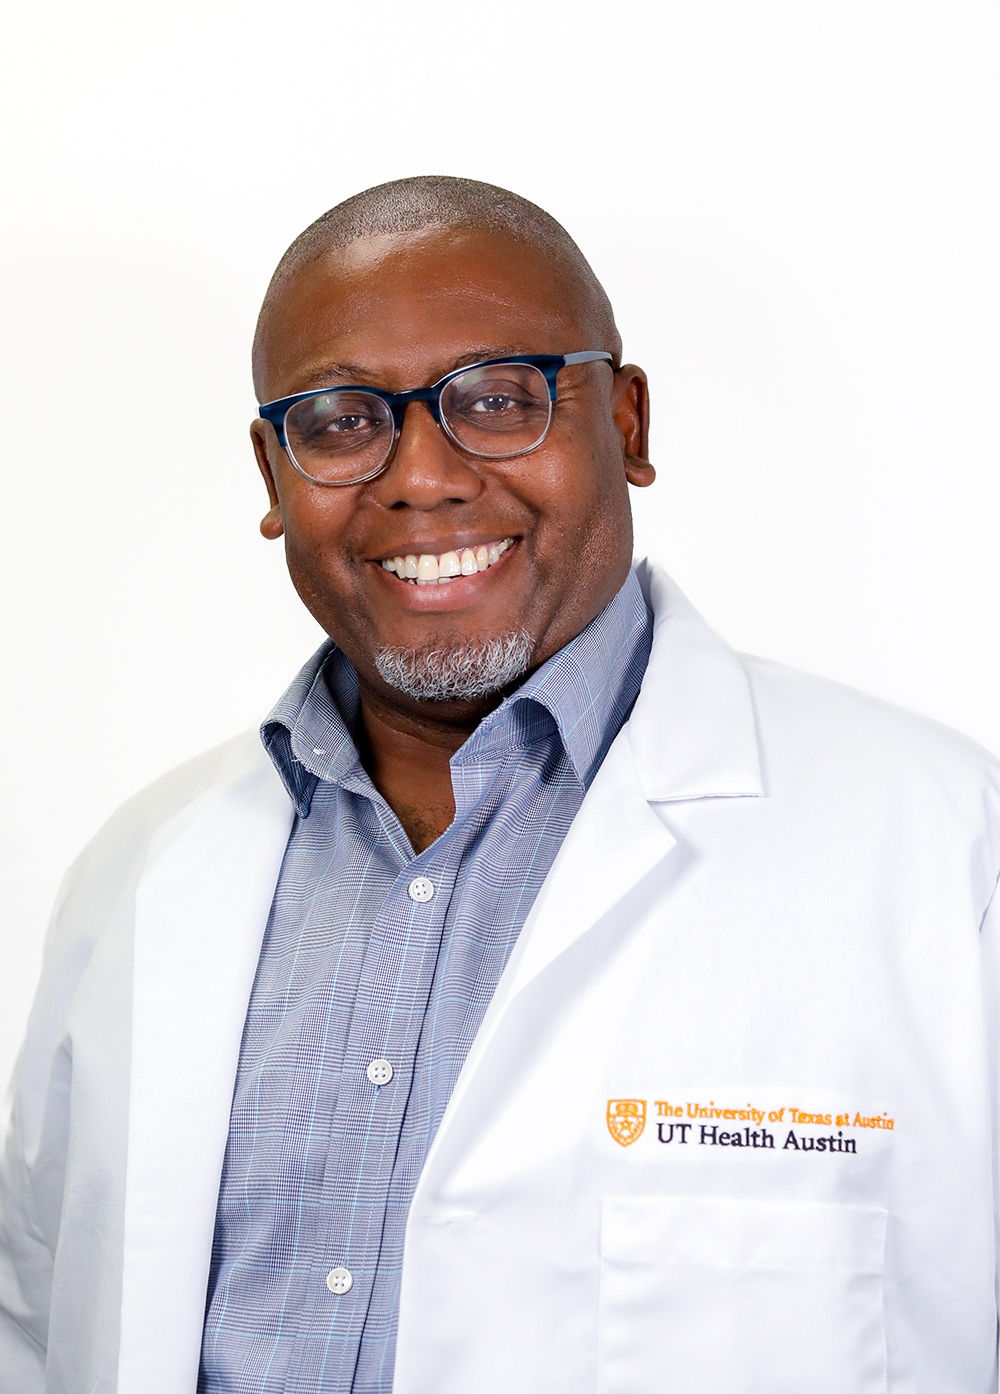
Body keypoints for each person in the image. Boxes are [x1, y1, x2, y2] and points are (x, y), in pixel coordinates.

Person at [1, 175, 998, 1394]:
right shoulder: (137, 871)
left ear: (626, 422)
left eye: (496, 398)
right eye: (339, 421)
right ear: (272, 473)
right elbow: (38, 1332)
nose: (421, 476)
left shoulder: (948, 850)